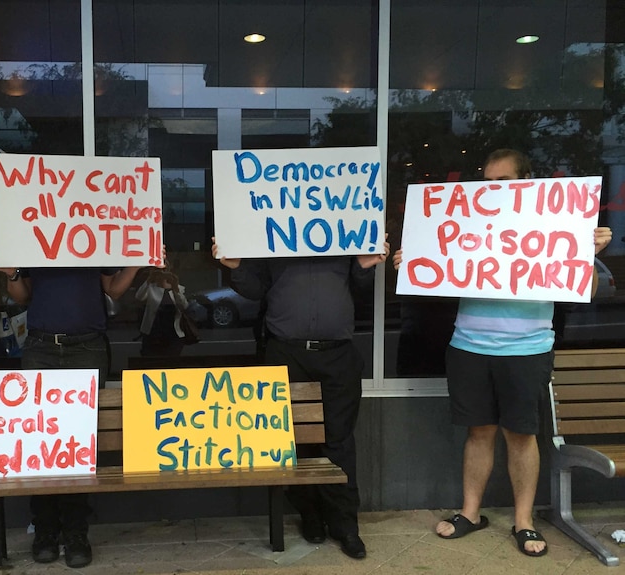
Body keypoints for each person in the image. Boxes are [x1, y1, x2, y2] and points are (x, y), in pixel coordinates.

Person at [392, 148, 613, 557]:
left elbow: (591, 292)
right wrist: (414, 261)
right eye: (489, 184)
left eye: (505, 183)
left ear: (526, 184)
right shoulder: (471, 225)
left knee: (521, 436)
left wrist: (586, 255)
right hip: (469, 346)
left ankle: (524, 521)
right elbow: (439, 268)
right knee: (478, 433)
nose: (495, 191)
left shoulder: (553, 226)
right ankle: (470, 513)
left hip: (528, 349)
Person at [212, 234, 390, 560]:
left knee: (339, 441)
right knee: (294, 441)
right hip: (286, 353)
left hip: (338, 354)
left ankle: (345, 525)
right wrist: (236, 268)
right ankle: (310, 516)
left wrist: (366, 267)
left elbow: (360, 286)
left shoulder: (345, 230)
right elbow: (255, 289)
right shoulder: (271, 235)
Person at [0, 247, 140, 568]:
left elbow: (112, 288)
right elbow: (23, 296)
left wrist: (139, 260)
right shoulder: (34, 233)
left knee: (78, 442)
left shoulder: (97, 236)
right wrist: (11, 273)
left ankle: (75, 531)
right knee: (39, 440)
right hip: (40, 345)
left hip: (87, 346)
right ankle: (44, 528)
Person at [136, 268, 190, 357]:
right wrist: (149, 279)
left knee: (171, 362)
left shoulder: (177, 288)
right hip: (153, 332)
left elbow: (184, 306)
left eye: (165, 271)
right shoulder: (151, 287)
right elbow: (139, 297)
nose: (163, 275)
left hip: (173, 333)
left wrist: (175, 288)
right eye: (160, 272)